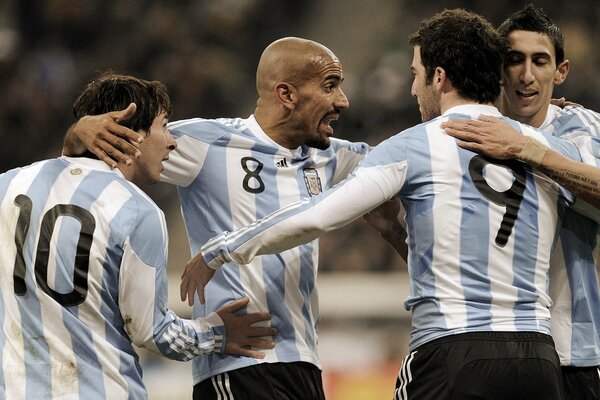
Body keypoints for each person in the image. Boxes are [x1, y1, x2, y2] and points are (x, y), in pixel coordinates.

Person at [179, 9, 590, 399]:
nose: (413, 88)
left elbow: (318, 215)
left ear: (439, 78)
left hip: (450, 353)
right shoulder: (548, 149)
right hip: (538, 357)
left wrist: (223, 248)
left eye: (416, 74)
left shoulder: (415, 145)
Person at [63, 38, 370, 399]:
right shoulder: (204, 142)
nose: (343, 101)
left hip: (304, 363)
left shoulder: (331, 157)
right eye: (330, 86)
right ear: (286, 94)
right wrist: (77, 132)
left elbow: (401, 165)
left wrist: (449, 125)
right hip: (238, 365)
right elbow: (108, 153)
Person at [0, 72, 276, 399]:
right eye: (163, 126)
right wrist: (217, 333)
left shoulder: (8, 184)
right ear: (130, 133)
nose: (172, 141)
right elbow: (154, 332)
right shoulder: (135, 210)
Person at [442, 6, 600, 399]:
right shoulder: (472, 130)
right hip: (486, 346)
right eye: (514, 60)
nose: (526, 75)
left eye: (539, 61)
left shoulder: (580, 128)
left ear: (560, 72)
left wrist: (526, 150)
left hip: (570, 351)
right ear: (498, 68)